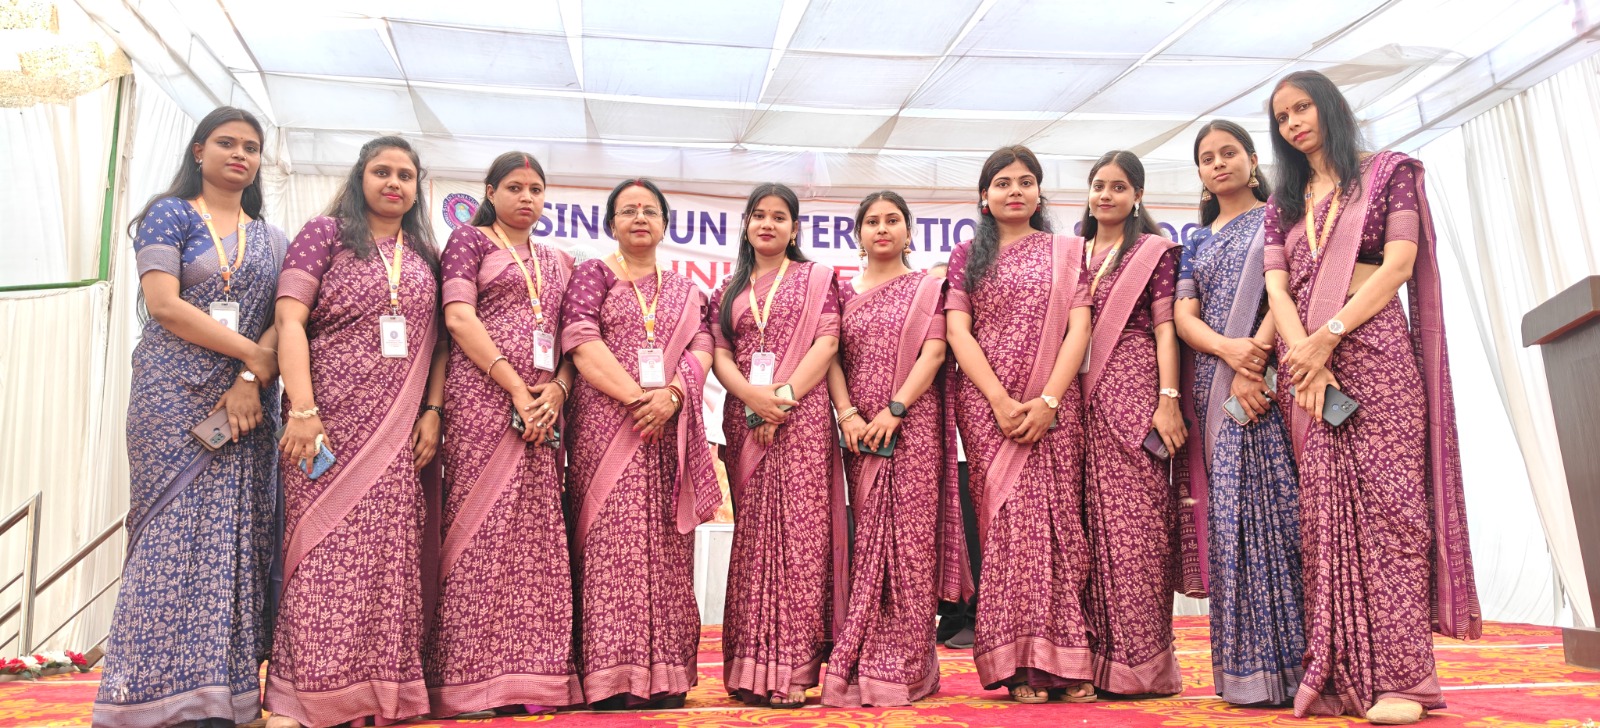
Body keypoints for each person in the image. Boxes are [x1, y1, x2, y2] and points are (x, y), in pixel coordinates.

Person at [1263, 69, 1479, 725]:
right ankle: (1339, 675)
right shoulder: (1285, 200)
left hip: (1375, 354)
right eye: (1282, 117)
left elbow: (1398, 265)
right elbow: (1277, 289)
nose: (1294, 123)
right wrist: (1303, 355)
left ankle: (1404, 682)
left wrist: (1327, 337)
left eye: (1303, 108)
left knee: (1393, 516)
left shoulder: (1389, 173)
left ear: (1330, 106)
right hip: (1308, 371)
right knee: (1325, 522)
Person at [94, 107, 286, 728]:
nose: (240, 155)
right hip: (170, 393)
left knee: (235, 538)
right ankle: (148, 697)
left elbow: (280, 321)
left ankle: (224, 698)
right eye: (227, 143)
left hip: (247, 405)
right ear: (199, 151)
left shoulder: (272, 238)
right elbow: (165, 305)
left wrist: (250, 380)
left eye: (251, 147)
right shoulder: (169, 213)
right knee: (167, 532)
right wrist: (253, 356)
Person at [266, 136, 447, 728]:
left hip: (397, 431)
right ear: (360, 177)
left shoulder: (424, 253)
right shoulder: (325, 235)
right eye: (381, 172)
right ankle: (303, 697)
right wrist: (302, 408)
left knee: (388, 561)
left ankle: (379, 694)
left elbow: (439, 345)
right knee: (320, 553)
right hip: (326, 423)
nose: (394, 183)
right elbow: (289, 319)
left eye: (405, 175)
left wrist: (432, 410)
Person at [424, 152, 582, 715]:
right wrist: (516, 387)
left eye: (536, 189)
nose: (526, 198)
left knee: (535, 537)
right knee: (478, 531)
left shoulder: (558, 259)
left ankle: (534, 678)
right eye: (514, 187)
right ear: (490, 192)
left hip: (543, 410)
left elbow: (573, 339)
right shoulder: (468, 241)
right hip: (483, 401)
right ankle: (468, 680)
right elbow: (458, 318)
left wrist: (557, 390)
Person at [944, 146, 1096, 704]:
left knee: (1060, 527)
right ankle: (1019, 666)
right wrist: (1000, 400)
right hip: (990, 409)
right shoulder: (967, 256)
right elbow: (958, 332)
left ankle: (1066, 659)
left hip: (1054, 408)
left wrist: (1049, 400)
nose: (1015, 190)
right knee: (1008, 529)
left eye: (1026, 181)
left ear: (1039, 192)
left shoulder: (1067, 252)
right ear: (984, 196)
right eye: (1003, 182)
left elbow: (1079, 329)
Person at [562, 178, 721, 710]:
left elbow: (702, 344)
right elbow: (581, 341)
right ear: (611, 223)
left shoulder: (685, 290)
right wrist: (639, 400)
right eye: (628, 210)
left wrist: (671, 396)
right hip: (608, 426)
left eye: (649, 210)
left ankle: (666, 677)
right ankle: (610, 678)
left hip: (667, 433)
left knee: (667, 549)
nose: (639, 218)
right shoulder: (593, 276)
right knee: (611, 546)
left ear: (664, 224)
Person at [1174, 120, 1305, 705]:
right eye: (1208, 158)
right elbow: (1184, 317)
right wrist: (1230, 352)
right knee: (1230, 521)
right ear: (1201, 174)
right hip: (1215, 384)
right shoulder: (1197, 241)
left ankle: (1298, 664)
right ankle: (1247, 675)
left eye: (1229, 153)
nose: (1219, 163)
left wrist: (1257, 360)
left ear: (1253, 160)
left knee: (1281, 514)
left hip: (1271, 377)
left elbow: (1288, 290)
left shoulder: (1281, 216)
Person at [821, 191, 960, 707]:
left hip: (913, 426)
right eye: (872, 221)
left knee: (910, 544)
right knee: (868, 543)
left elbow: (935, 352)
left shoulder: (929, 288)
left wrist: (895, 410)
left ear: (908, 231)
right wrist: (847, 415)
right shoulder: (840, 292)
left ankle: (907, 665)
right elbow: (830, 355)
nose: (882, 228)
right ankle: (863, 657)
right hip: (860, 433)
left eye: (893, 220)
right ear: (858, 234)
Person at [712, 183, 845, 709]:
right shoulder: (728, 290)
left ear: (794, 229)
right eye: (759, 216)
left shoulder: (817, 278)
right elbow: (721, 355)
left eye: (779, 217)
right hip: (745, 420)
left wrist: (781, 400)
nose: (768, 224)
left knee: (800, 540)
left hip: (801, 418)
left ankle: (791, 670)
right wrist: (752, 399)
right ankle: (748, 669)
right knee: (753, 542)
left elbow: (827, 343)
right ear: (746, 224)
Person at [1078, 149, 1189, 697]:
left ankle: (1143, 665)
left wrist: (1167, 399)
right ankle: (1096, 662)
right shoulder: (1072, 253)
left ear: (1138, 195)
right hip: (1078, 398)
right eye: (1099, 185)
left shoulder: (1154, 252)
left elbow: (1167, 329)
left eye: (1118, 187)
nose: (1106, 195)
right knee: (1088, 529)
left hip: (1134, 388)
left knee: (1137, 528)